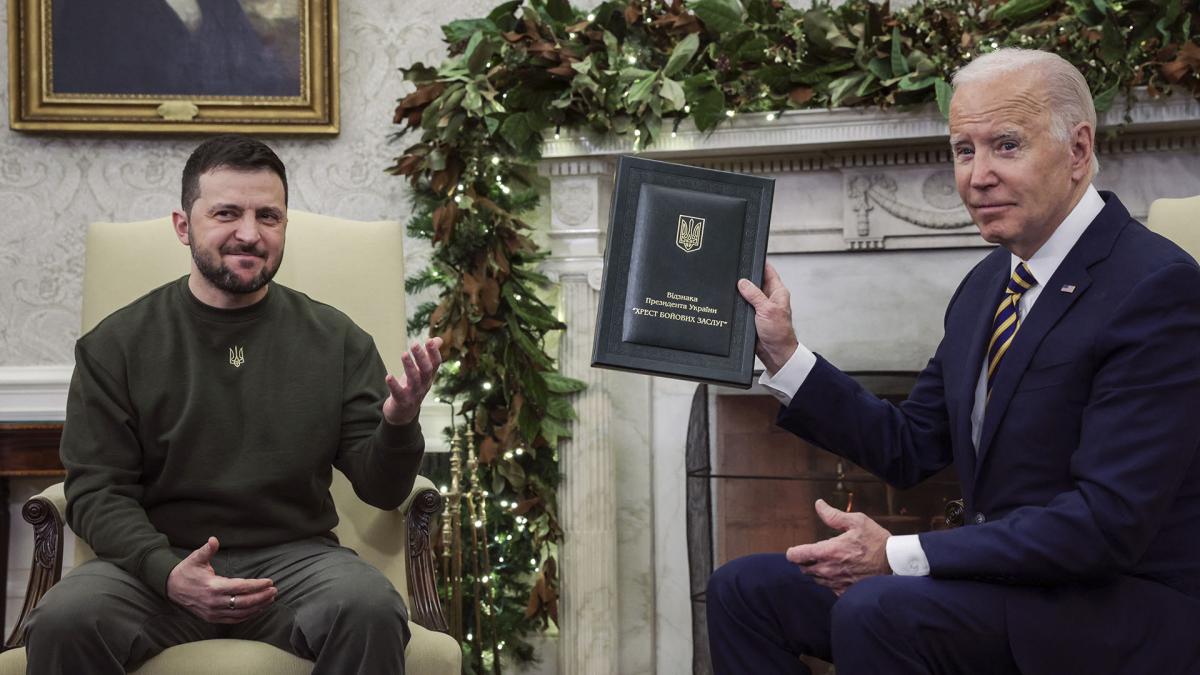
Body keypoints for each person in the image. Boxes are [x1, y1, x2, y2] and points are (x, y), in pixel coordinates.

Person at [706, 48, 1200, 675]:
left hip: (1117, 606)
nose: (977, 176)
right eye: (964, 151)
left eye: (1006, 146)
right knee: (746, 591)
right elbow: (911, 446)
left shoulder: (1157, 287)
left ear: (1078, 151)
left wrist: (903, 554)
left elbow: (1104, 525)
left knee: (877, 608)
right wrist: (783, 355)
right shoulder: (988, 284)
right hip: (1001, 587)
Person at [24, 135, 441, 674]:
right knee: (64, 619)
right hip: (153, 568)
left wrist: (399, 425)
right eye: (226, 213)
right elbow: (96, 492)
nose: (249, 233)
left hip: (294, 560)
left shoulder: (337, 340)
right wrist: (167, 570)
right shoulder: (116, 344)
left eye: (268, 216)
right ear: (183, 225)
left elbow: (382, 489)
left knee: (369, 608)